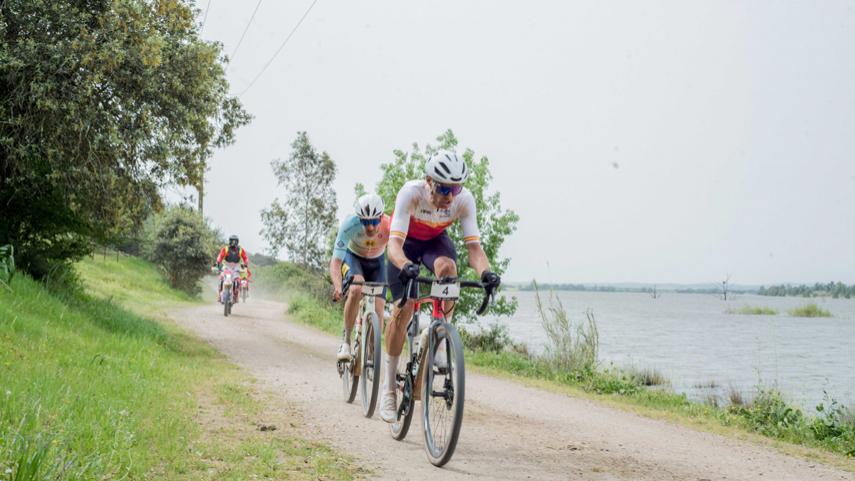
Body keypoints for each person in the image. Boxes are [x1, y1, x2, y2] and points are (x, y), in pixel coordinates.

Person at [379, 151, 501, 423]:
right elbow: (394, 246)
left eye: (455, 188)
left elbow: (474, 248)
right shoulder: (410, 193)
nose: (449, 195)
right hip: (406, 243)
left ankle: (441, 336)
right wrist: (405, 265)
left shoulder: (464, 200)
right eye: (444, 188)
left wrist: (486, 273)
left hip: (435, 242)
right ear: (428, 181)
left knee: (448, 270)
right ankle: (389, 391)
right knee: (404, 309)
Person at [329, 194, 391, 361]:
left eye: (374, 222)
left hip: (377, 262)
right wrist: (337, 286)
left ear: (381, 216)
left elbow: (400, 252)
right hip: (354, 258)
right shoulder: (349, 225)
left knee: (379, 309)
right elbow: (335, 262)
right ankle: (346, 341)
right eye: (365, 222)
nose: (370, 227)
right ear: (359, 218)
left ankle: (372, 351)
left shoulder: (390, 225)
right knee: (356, 288)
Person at [216, 235, 249, 302]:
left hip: (236, 267)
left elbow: (245, 258)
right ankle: (220, 295)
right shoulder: (225, 249)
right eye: (232, 241)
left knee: (237, 280)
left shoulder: (240, 250)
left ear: (237, 242)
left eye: (235, 241)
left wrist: (245, 264)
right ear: (229, 241)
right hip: (226, 266)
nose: (233, 243)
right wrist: (218, 262)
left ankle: (235, 295)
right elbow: (220, 256)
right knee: (222, 278)